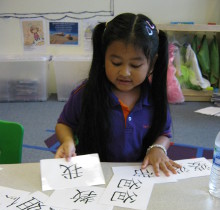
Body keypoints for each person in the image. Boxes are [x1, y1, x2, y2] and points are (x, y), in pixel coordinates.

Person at [55, 13, 181, 176]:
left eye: (135, 65)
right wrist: (67, 141)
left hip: (137, 175)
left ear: (152, 63)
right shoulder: (86, 93)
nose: (125, 72)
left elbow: (164, 133)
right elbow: (64, 123)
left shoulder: (155, 98)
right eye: (116, 63)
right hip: (92, 173)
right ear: (103, 57)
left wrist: (157, 148)